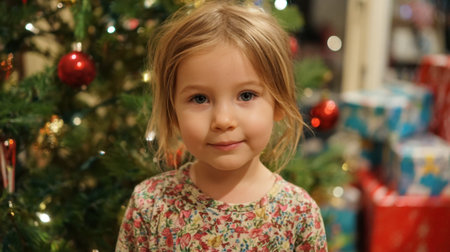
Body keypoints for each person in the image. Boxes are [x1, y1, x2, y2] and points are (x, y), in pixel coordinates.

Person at [116, 1, 327, 251]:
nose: (223, 120)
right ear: (173, 112)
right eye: (200, 99)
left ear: (279, 103)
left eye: (246, 95)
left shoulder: (299, 213)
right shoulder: (150, 204)